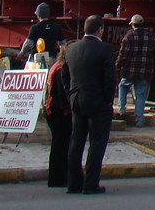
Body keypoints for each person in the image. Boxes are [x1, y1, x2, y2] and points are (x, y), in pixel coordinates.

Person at [62, 15, 115, 195]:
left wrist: (70, 94)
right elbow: (109, 78)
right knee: (97, 143)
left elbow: (64, 76)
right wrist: (108, 99)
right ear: (100, 29)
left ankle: (74, 183)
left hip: (76, 99)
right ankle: (91, 183)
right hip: (97, 100)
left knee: (76, 141)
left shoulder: (71, 49)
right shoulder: (104, 49)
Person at [115, 14, 155, 127]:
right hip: (144, 72)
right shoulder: (150, 36)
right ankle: (139, 120)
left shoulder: (129, 36)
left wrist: (118, 65)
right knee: (140, 95)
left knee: (123, 87)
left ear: (132, 25)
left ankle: (121, 110)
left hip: (129, 71)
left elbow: (123, 54)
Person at [44, 43, 72, 188]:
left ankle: (58, 177)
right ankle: (58, 177)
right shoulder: (62, 69)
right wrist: (69, 109)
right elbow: (62, 94)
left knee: (59, 145)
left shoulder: (57, 66)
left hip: (54, 110)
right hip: (59, 112)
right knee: (61, 146)